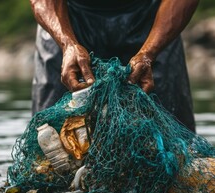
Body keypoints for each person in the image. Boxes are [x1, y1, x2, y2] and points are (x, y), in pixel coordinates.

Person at [29, 0, 199, 132]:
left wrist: (149, 54)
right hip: (66, 20)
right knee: (49, 138)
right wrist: (67, 43)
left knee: (176, 148)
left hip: (154, 20)